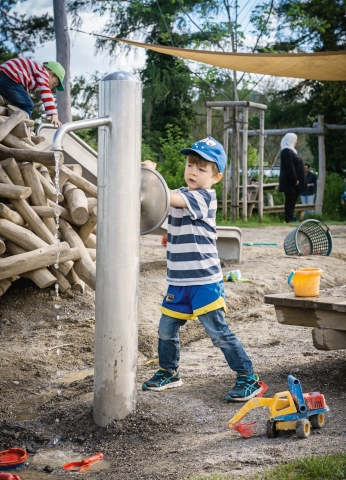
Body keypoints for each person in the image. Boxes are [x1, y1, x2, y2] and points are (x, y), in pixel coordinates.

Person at [141, 137, 262, 402]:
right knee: (166, 330)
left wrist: (151, 175)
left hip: (204, 281)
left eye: (201, 168)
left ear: (216, 177)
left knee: (218, 332)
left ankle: (248, 377)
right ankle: (169, 372)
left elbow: (166, 197)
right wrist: (144, 177)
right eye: (189, 165)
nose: (193, 171)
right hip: (179, 282)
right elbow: (155, 202)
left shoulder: (204, 198)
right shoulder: (180, 194)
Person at [0, 58, 65, 127]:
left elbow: (22, 92)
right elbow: (46, 92)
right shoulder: (44, 73)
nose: (51, 87)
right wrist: (53, 114)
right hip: (9, 78)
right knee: (28, 105)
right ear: (51, 73)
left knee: (18, 105)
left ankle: (9, 121)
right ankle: (19, 127)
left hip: (5, 76)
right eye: (54, 83)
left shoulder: (35, 72)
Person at [279, 133, 306, 223]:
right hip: (291, 182)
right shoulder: (287, 151)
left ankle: (290, 217)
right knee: (290, 201)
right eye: (295, 140)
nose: (296, 142)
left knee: (293, 201)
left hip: (294, 182)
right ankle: (289, 219)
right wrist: (295, 179)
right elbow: (289, 166)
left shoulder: (291, 151)